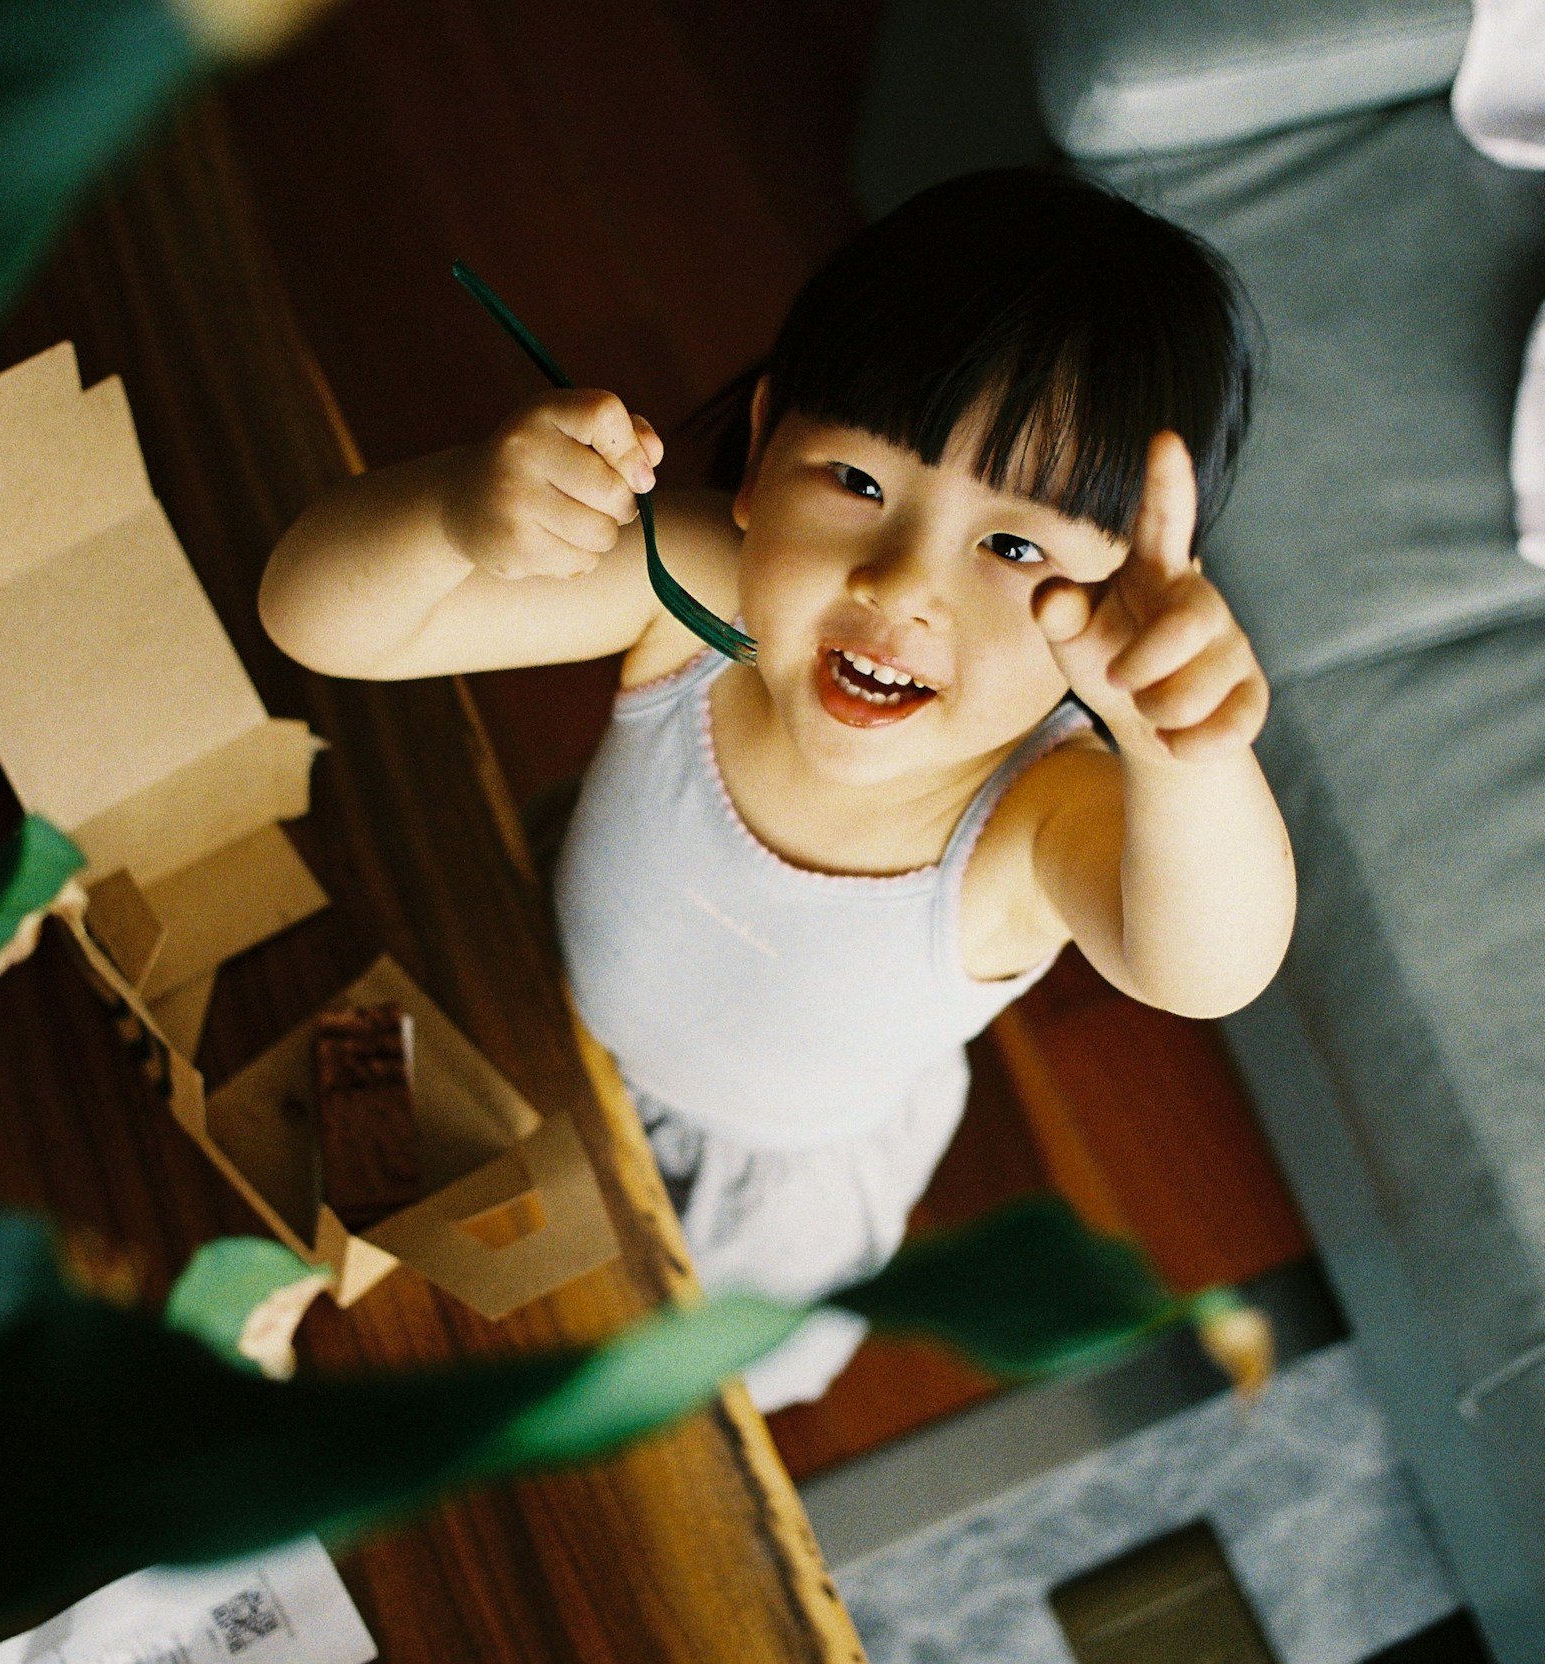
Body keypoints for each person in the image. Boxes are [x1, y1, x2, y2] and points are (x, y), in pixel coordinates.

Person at [259, 169, 1296, 1409]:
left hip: (763, 1183)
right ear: (760, 455)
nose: (902, 582)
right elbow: (315, 620)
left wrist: (1186, 753)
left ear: (1116, 606)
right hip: (528, 992)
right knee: (331, 1246)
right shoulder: (698, 593)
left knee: (622, 1402)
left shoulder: (1032, 816)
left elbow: (1207, 967)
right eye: (857, 483)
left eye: (1014, 547)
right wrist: (452, 515)